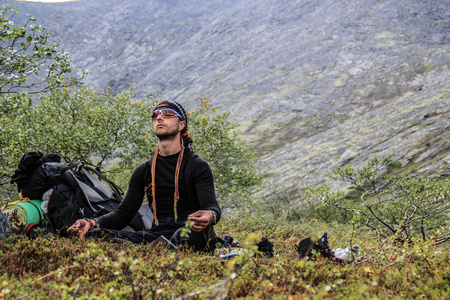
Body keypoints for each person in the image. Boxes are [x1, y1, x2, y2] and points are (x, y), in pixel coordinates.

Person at [68, 100, 221, 252]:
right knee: (95, 235)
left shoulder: (197, 166)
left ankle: (156, 251)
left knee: (187, 234)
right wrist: (91, 222)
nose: (159, 118)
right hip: (157, 235)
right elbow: (123, 215)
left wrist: (210, 215)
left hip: (189, 232)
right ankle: (160, 250)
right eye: (155, 115)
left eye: (167, 114)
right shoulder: (144, 170)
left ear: (181, 125)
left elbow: (212, 207)